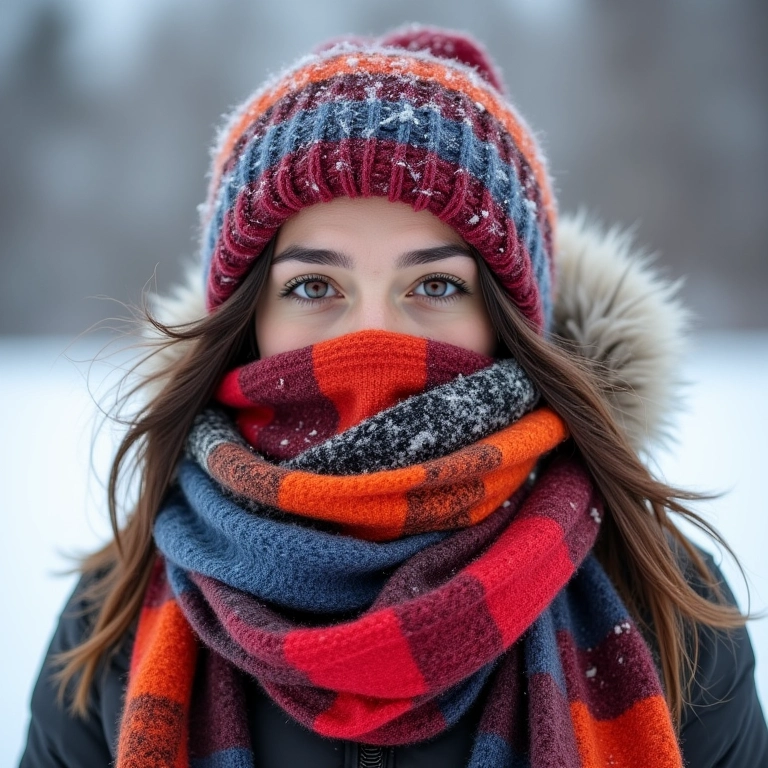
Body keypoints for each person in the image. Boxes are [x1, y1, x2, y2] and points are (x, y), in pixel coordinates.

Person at [19, 24, 768, 768]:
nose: (373, 337)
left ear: (508, 324)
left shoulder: (667, 604)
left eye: (435, 285)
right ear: (248, 321)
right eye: (314, 286)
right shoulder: (109, 621)